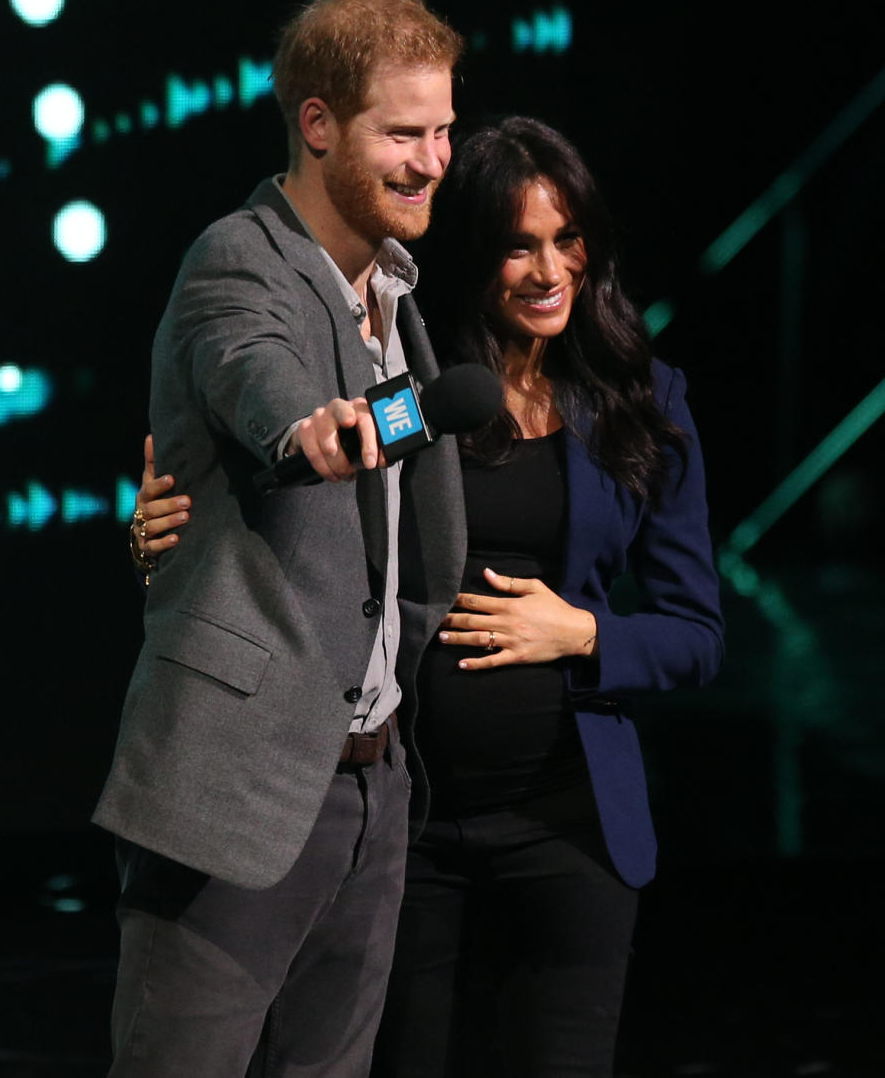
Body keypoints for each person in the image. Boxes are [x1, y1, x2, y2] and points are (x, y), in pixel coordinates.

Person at [134, 116, 725, 1077]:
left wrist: (583, 632)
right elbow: (294, 500)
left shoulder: (643, 399)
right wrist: (162, 529)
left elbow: (697, 634)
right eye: (517, 246)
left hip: (567, 828)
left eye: (566, 241)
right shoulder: (418, 385)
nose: (547, 271)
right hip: (408, 829)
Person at [94, 0, 466, 1078]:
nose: (433, 159)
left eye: (444, 130)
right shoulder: (239, 258)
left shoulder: (395, 290)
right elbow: (260, 380)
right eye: (402, 133)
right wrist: (308, 430)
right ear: (316, 124)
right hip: (239, 792)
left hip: (372, 786)